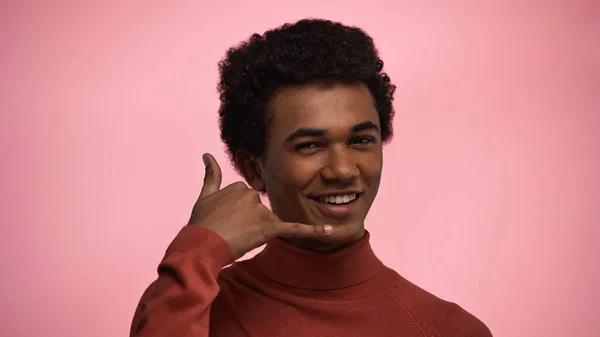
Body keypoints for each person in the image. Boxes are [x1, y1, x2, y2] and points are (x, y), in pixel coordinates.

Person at [130, 18, 492, 337]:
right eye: (309, 145)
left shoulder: (449, 330)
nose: (342, 170)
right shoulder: (188, 304)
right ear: (254, 169)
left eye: (361, 140)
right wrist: (198, 253)